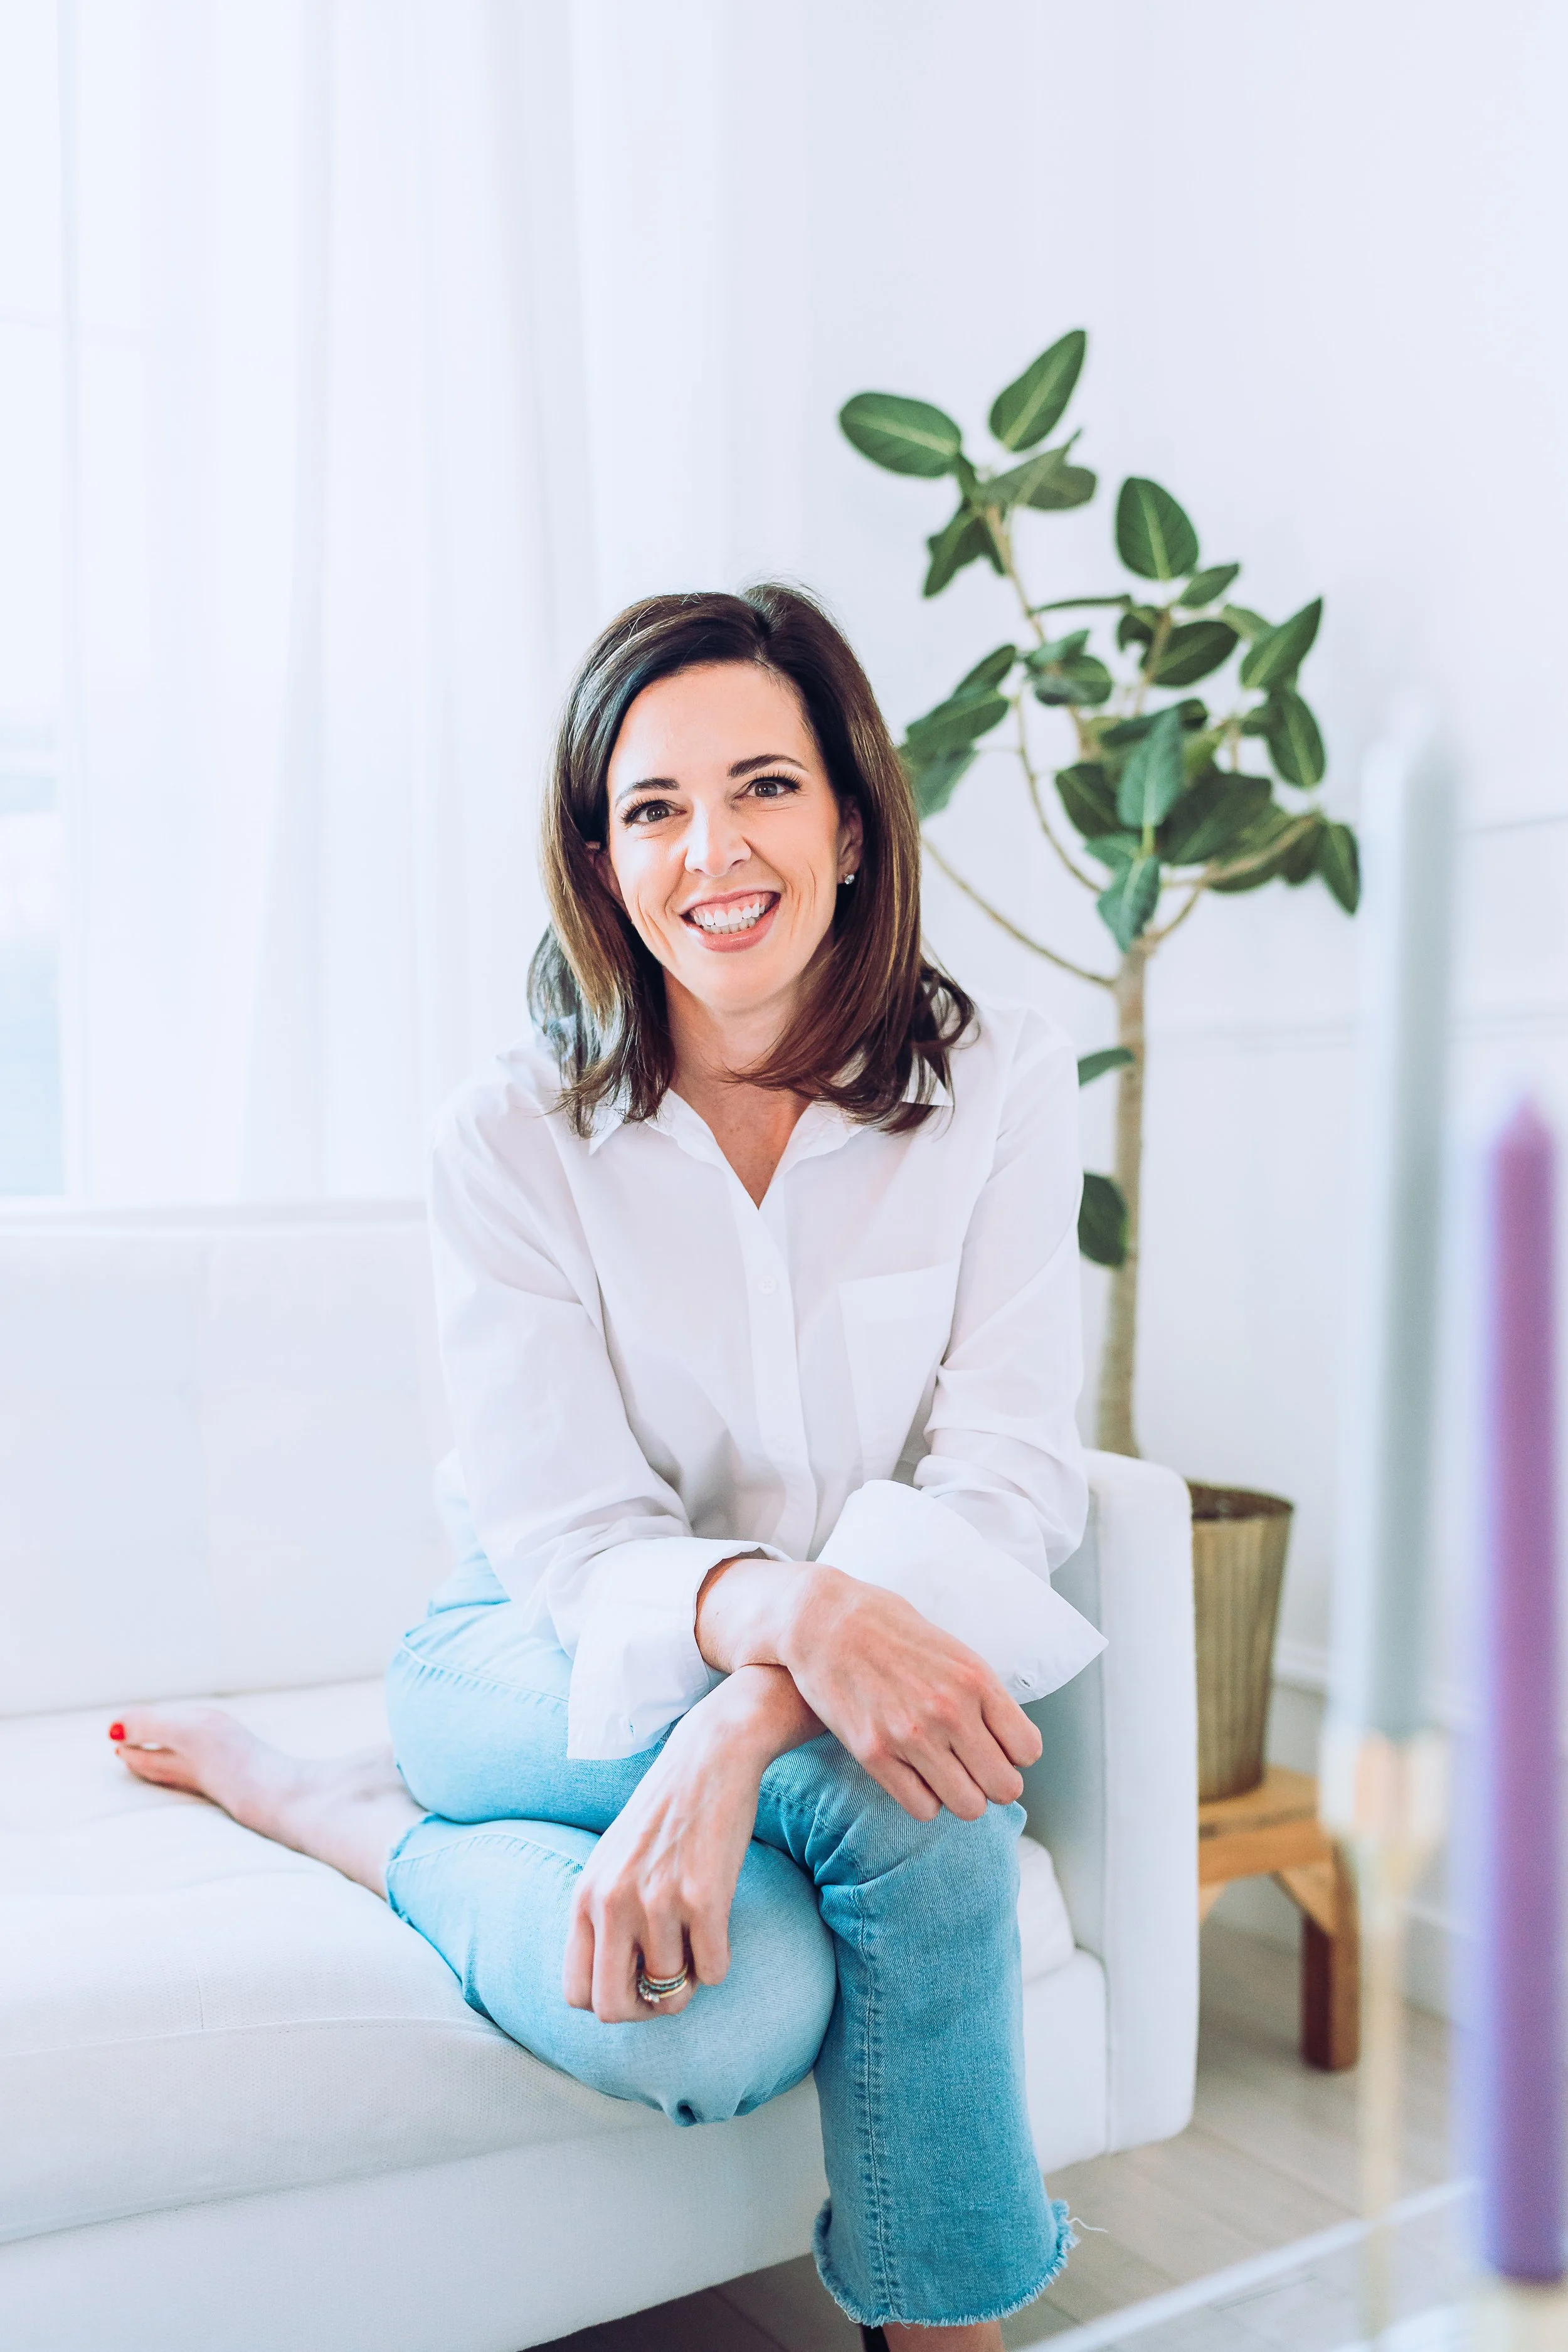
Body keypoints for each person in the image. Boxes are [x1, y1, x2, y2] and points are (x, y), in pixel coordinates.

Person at [110, 584, 1104, 2351]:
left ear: (853, 819)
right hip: (520, 1647)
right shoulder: (509, 1135)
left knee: (722, 2011)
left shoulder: (1002, 1081)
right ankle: (341, 1812)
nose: (712, 850)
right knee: (925, 1812)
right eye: (653, 808)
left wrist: (753, 1706)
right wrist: (795, 1621)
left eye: (764, 786)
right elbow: (569, 1541)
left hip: (803, 1680)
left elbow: (1009, 1475)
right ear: (601, 860)